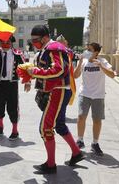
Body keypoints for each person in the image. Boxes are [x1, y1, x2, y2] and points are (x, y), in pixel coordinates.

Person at [25, 25, 85, 174]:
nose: (34, 43)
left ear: (44, 38)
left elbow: (59, 70)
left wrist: (36, 72)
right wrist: (30, 76)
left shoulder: (53, 48)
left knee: (45, 128)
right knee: (59, 125)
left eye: (35, 40)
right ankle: (76, 152)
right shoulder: (47, 49)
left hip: (57, 92)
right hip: (56, 91)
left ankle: (51, 165)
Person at [74, 42, 115, 156]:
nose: (87, 51)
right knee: (81, 116)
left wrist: (101, 66)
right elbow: (75, 75)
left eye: (89, 50)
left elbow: (112, 75)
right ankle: (80, 140)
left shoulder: (103, 61)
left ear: (96, 52)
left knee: (97, 120)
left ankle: (95, 143)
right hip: (84, 93)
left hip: (98, 95)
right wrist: (80, 62)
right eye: (87, 49)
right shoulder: (84, 61)